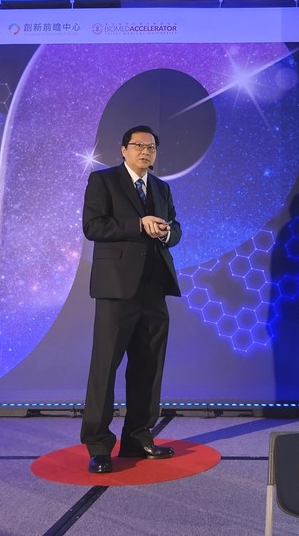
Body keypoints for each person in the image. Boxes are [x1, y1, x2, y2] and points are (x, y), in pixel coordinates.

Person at [80, 125, 182, 474]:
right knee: (105, 367)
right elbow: (93, 226)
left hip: (154, 288)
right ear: (123, 149)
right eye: (138, 145)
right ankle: (98, 445)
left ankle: (138, 436)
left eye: (151, 147)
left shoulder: (162, 188)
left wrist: (166, 232)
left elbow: (176, 228)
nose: (145, 151)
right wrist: (139, 224)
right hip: (116, 289)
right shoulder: (103, 180)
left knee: (148, 366)